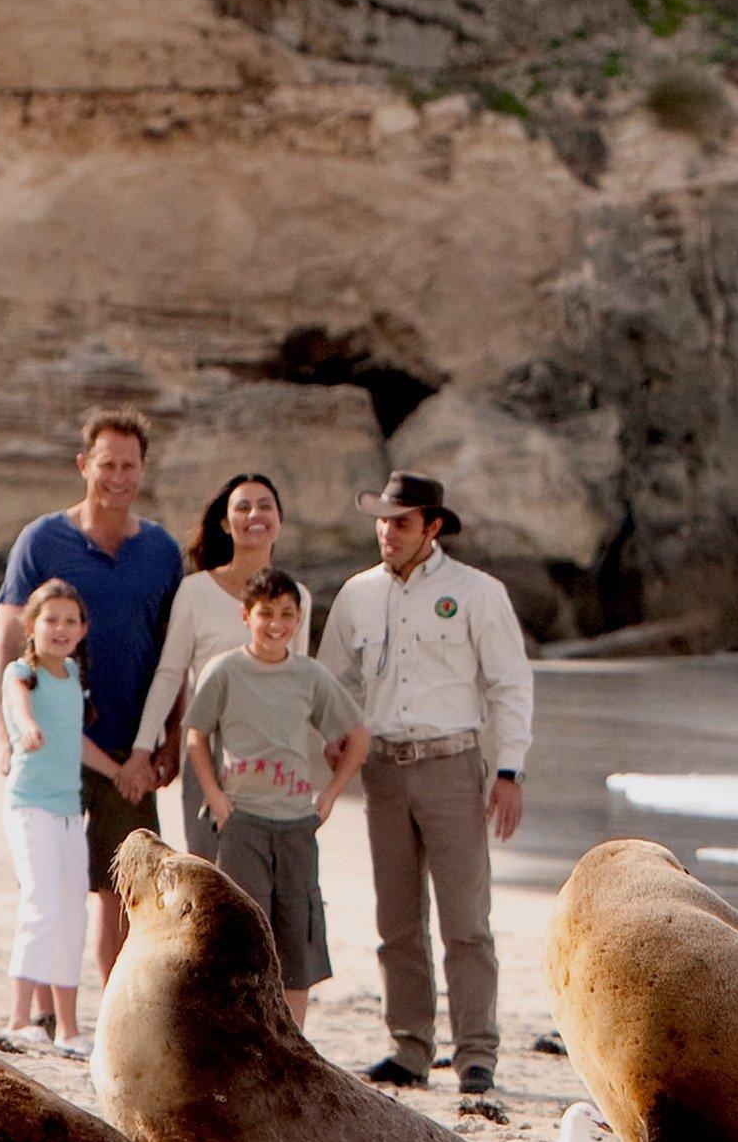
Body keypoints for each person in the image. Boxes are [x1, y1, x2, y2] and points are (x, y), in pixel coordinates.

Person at [318, 470, 533, 1098]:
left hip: (452, 766)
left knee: (466, 919)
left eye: (401, 522)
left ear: (432, 528)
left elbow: (510, 684)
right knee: (397, 920)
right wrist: (335, 737)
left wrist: (510, 771)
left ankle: (475, 1054)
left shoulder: (478, 593)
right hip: (382, 770)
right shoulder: (357, 595)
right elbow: (333, 679)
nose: (387, 532)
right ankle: (409, 1048)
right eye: (382, 520)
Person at [0, 409, 185, 988]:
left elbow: (175, 660)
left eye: (129, 465)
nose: (118, 477)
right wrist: (6, 737)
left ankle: (112, 1012)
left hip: (131, 750)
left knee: (122, 891)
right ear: (84, 465)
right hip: (50, 746)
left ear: (143, 470)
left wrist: (165, 745)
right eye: (107, 464)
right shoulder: (42, 539)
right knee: (53, 883)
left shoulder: (162, 552)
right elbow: (5, 649)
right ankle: (45, 1008)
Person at [183, 570, 368, 1026]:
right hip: (241, 821)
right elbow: (196, 736)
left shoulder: (309, 675)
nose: (276, 624)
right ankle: (243, 1034)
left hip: (296, 825)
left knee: (296, 932)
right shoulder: (224, 670)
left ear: (299, 620)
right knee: (244, 933)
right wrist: (216, 798)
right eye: (266, 613)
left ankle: (292, 1039)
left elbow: (358, 736)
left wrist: (328, 797)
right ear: (246, 616)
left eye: (287, 614)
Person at [136, 471, 309, 863]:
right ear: (224, 523)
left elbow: (298, 682)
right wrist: (143, 748)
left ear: (279, 521)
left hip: (272, 760)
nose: (254, 515)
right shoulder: (196, 591)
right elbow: (171, 673)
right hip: (206, 754)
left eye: (265, 506)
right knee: (209, 875)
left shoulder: (299, 598)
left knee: (265, 882)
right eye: (242, 507)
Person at [0, 579, 126, 1054]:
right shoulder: (21, 673)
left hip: (70, 813)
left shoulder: (72, 673)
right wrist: (26, 729)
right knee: (41, 902)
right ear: (31, 625)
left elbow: (78, 741)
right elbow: (19, 706)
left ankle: (69, 1030)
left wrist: (117, 772)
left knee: (73, 910)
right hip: (30, 806)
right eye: (51, 619)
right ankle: (19, 1018)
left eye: (71, 621)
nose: (61, 628)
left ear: (83, 629)